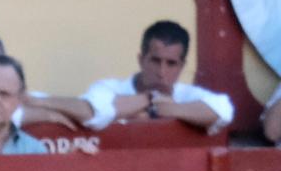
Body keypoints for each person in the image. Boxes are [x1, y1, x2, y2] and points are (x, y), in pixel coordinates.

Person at [81, 20, 234, 134]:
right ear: (141, 60)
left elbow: (223, 109)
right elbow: (90, 109)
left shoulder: (187, 95)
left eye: (171, 64)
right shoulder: (109, 88)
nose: (162, 72)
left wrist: (170, 109)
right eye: (155, 61)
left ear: (181, 66)